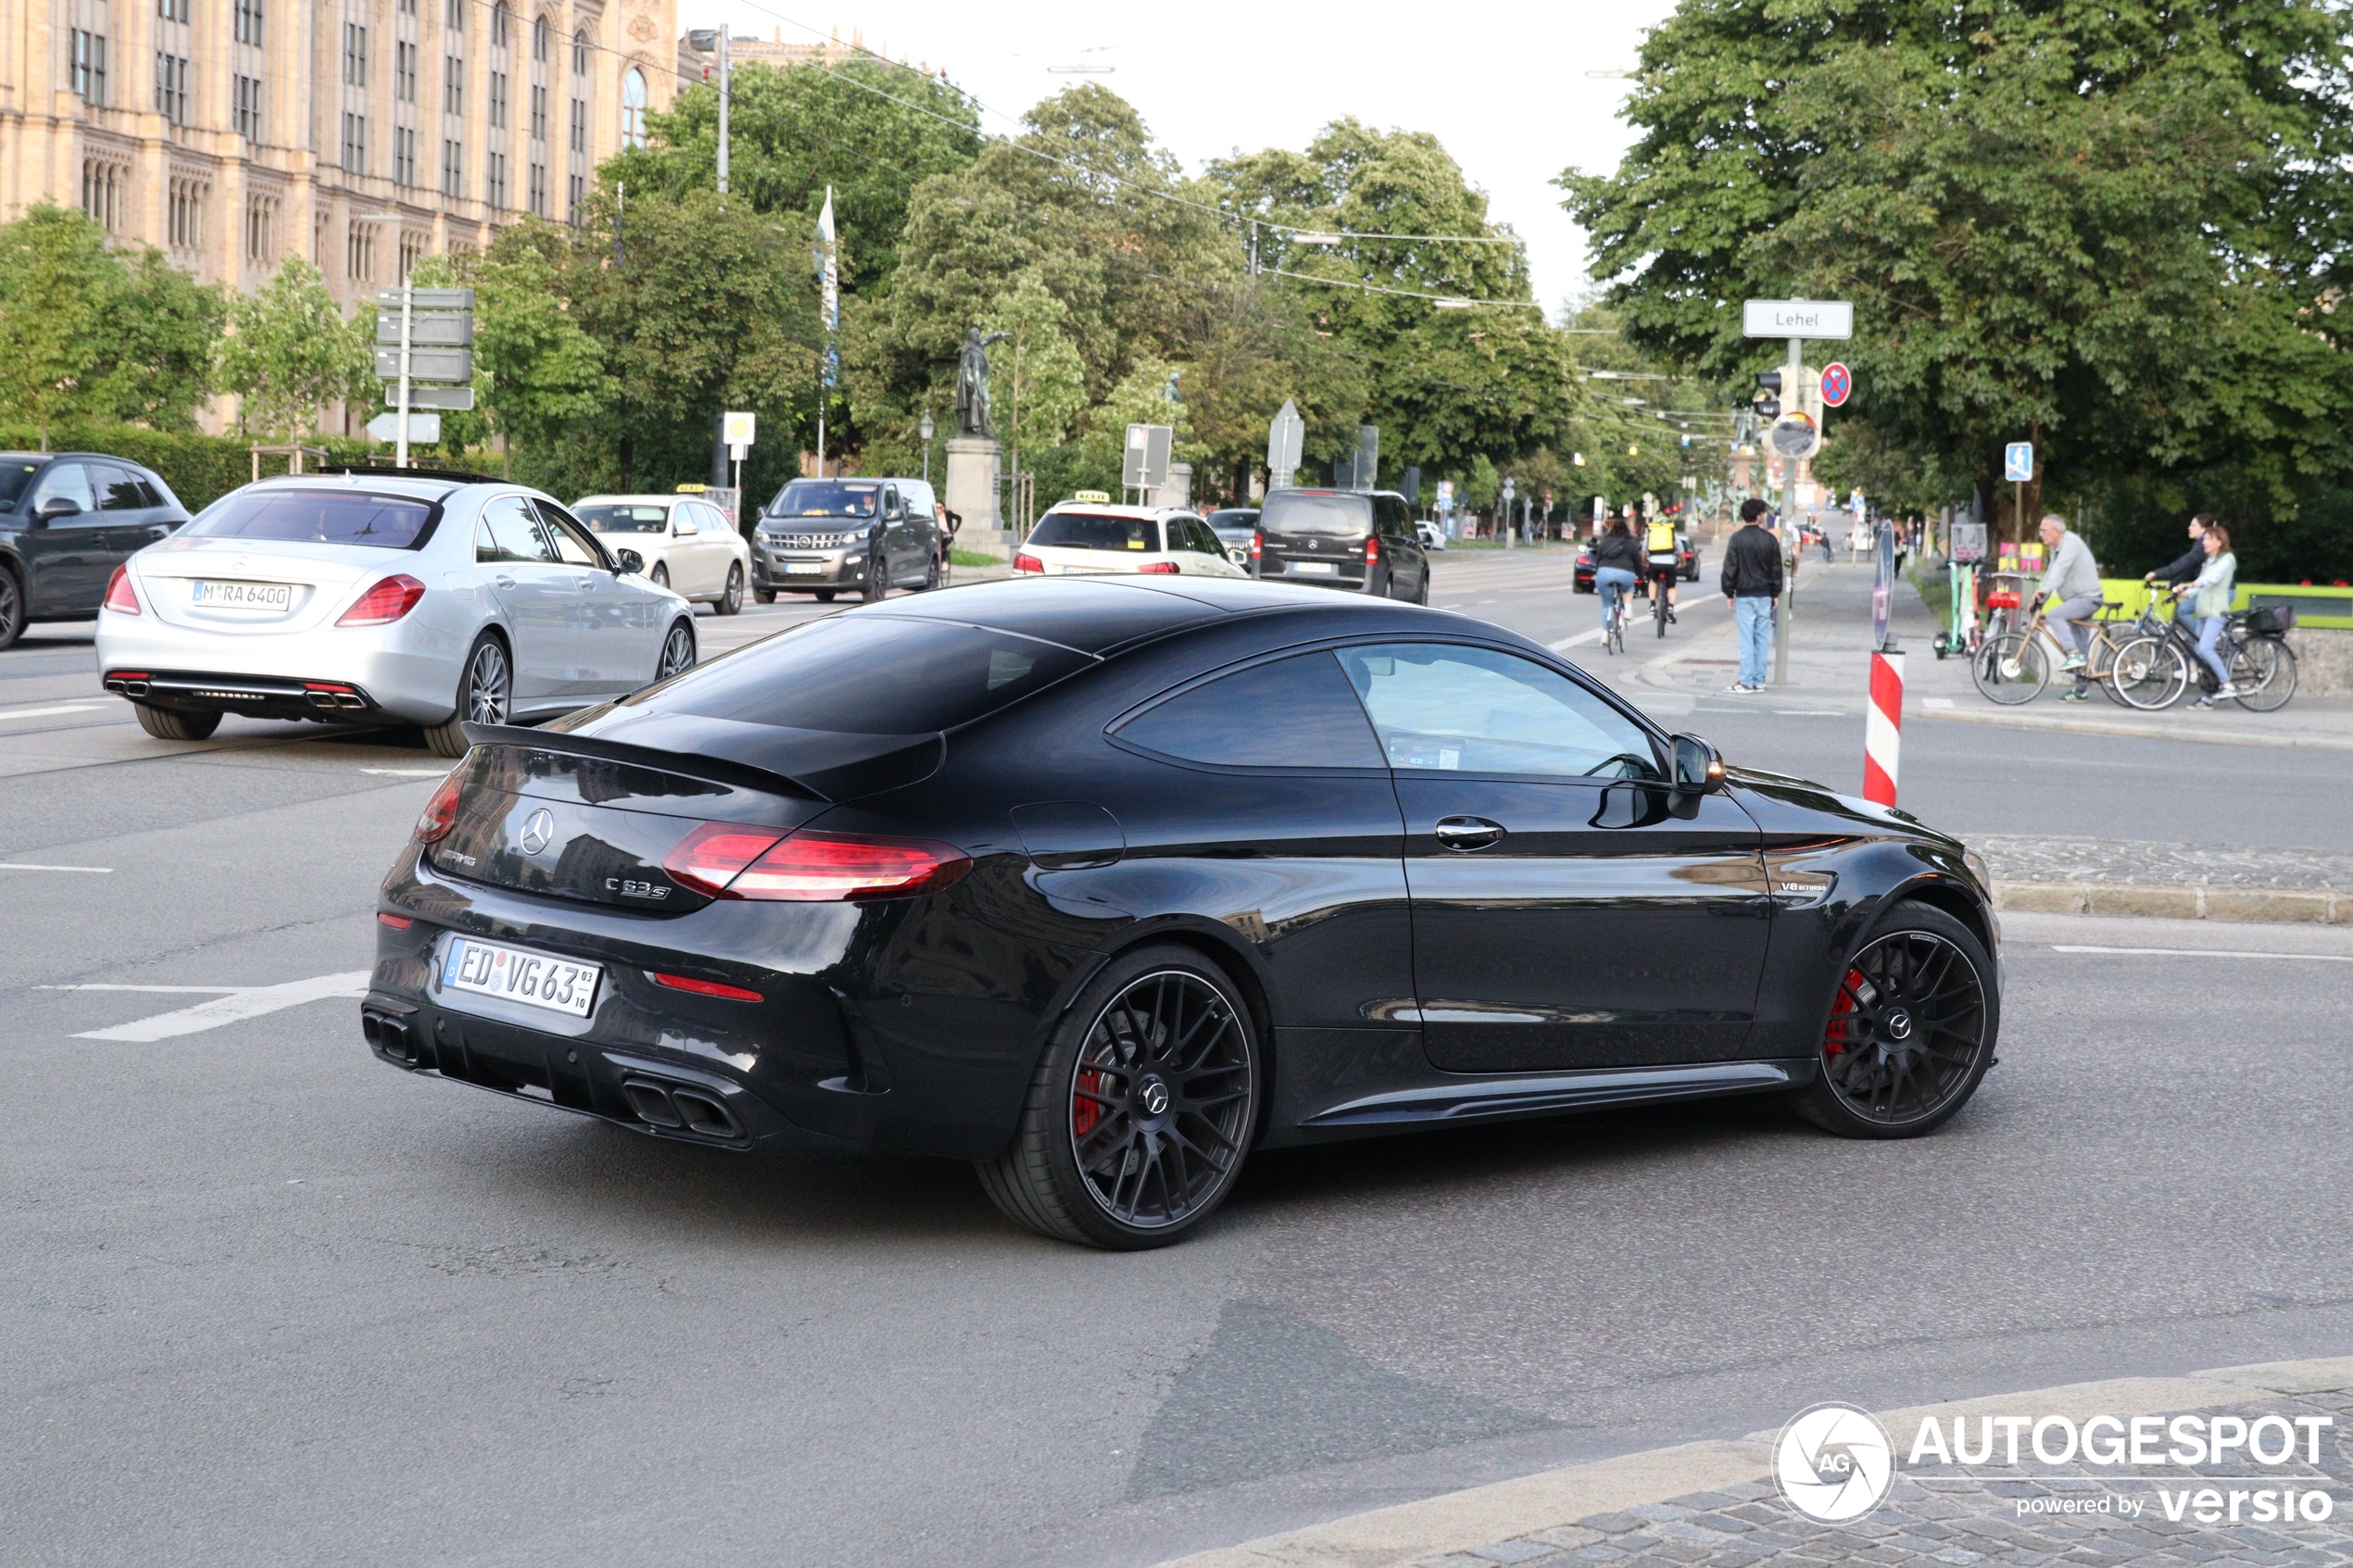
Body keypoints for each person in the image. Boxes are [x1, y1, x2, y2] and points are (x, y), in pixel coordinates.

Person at [1720, 497, 1783, 693]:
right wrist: (1775, 593)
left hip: (1745, 595)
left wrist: (1729, 592)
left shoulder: (1737, 539)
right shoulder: (1770, 539)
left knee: (1746, 639)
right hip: (1764, 595)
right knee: (1761, 639)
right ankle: (1759, 680)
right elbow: (1776, 569)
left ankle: (1745, 681)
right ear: (1758, 516)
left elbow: (1730, 568)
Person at [2176, 522, 2238, 707]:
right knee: (2200, 655)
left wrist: (2190, 585)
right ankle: (2207, 697)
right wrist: (2185, 593)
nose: (2204, 543)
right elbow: (2202, 586)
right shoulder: (2209, 562)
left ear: (2219, 542)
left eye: (2208, 539)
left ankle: (2227, 684)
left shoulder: (2227, 560)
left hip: (2215, 612)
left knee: (2204, 649)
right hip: (2204, 612)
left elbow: (2212, 579)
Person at [2034, 514, 2103, 676]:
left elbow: (2060, 569)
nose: (2040, 534)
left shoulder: (2070, 543)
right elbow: (2051, 571)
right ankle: (2080, 691)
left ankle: (2072, 653)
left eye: (2043, 530)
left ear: (2056, 531)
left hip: (2088, 598)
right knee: (2081, 645)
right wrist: (2041, 596)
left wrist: (2044, 590)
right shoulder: (2055, 549)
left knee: (2054, 615)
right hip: (2077, 599)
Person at [2144, 513, 2212, 624]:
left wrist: (2156, 573)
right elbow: (2190, 569)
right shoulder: (2200, 545)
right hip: (2209, 589)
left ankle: (2201, 641)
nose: (2189, 528)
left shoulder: (2202, 546)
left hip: (2216, 591)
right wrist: (2173, 583)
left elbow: (2181, 565)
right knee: (2195, 620)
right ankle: (2198, 640)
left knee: (2181, 611)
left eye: (2193, 525)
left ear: (2203, 529)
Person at [1592, 513, 1642, 639]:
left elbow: (1598, 559)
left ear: (1612, 528)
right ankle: (1628, 609)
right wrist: (1640, 577)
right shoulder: (1631, 543)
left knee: (1606, 605)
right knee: (1629, 587)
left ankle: (1604, 634)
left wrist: (1599, 572)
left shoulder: (1605, 541)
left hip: (1604, 573)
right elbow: (1637, 562)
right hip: (1625, 573)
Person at [1642, 507, 1680, 623]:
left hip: (1654, 562)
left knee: (1653, 581)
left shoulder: (1652, 535)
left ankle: (1652, 605)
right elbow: (1681, 550)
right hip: (1670, 563)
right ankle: (1670, 608)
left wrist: (1644, 561)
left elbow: (1644, 550)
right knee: (1671, 586)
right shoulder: (1673, 534)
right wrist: (1682, 562)